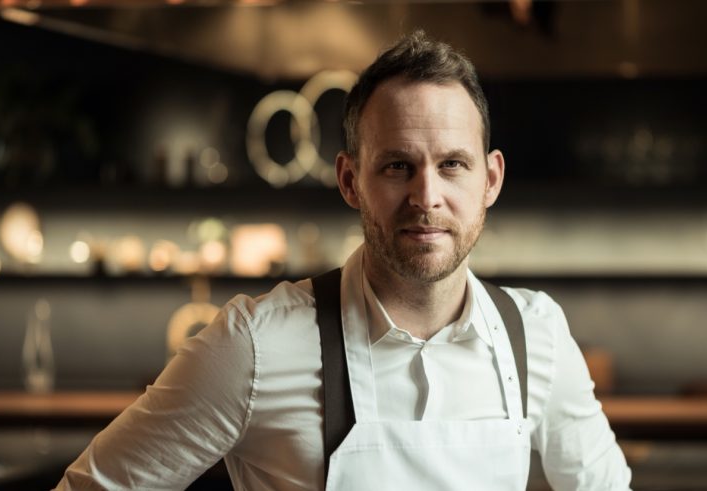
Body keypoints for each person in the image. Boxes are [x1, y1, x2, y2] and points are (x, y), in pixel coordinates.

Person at [56, 31, 631, 491]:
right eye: (397, 166)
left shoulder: (537, 336)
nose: (426, 197)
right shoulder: (255, 345)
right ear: (350, 180)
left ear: (491, 180)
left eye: (452, 164)